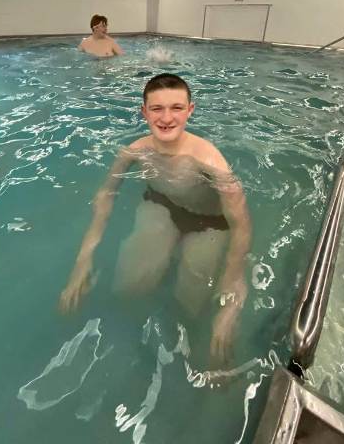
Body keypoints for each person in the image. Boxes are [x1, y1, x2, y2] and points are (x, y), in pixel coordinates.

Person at [59, 73, 251, 364]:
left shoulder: (211, 162)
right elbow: (105, 197)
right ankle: (124, 346)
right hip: (162, 207)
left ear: (190, 110)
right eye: (157, 108)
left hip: (209, 223)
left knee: (191, 299)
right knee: (129, 286)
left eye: (176, 108)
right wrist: (83, 261)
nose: (166, 118)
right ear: (144, 112)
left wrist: (233, 284)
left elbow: (241, 223)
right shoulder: (134, 152)